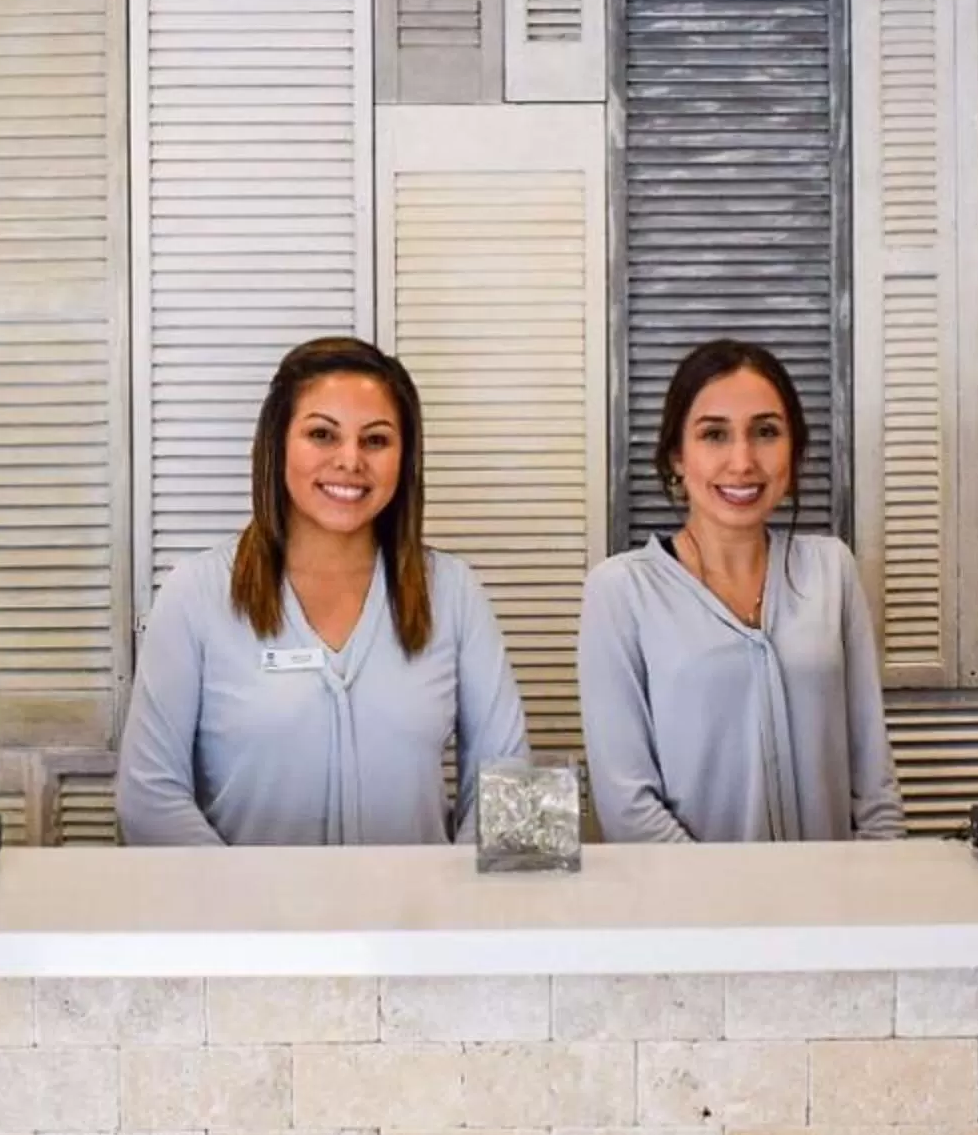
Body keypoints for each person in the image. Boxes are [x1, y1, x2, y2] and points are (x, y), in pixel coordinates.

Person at [118, 335, 529, 845]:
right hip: (247, 919)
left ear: (404, 458)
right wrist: (253, 913)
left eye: (375, 440)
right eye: (322, 435)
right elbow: (148, 797)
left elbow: (508, 780)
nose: (350, 460)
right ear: (278, 443)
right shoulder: (193, 596)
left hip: (418, 918)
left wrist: (448, 905)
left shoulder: (455, 594)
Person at [578, 338, 900, 842]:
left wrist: (863, 897)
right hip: (694, 911)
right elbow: (626, 802)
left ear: (794, 452)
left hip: (833, 906)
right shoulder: (620, 592)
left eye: (766, 432)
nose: (743, 460)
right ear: (677, 458)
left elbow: (874, 780)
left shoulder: (830, 570)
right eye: (714, 435)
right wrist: (723, 907)